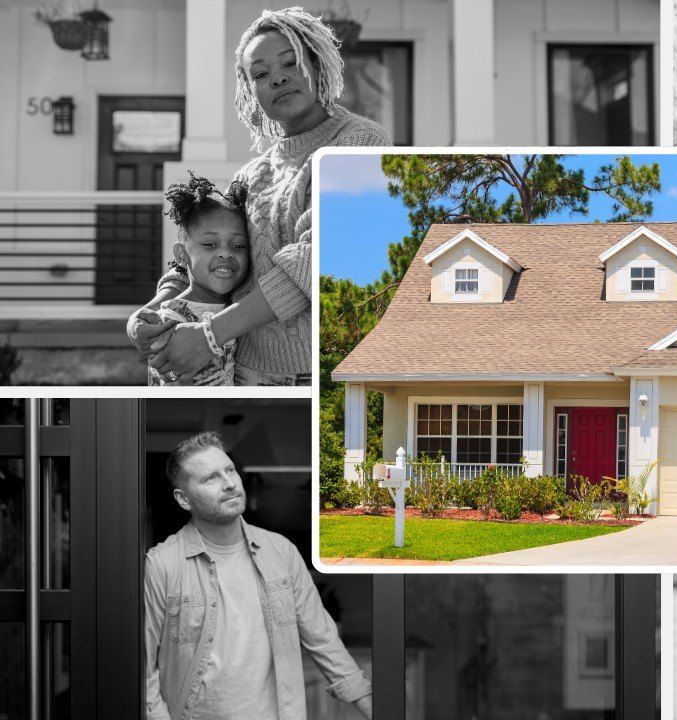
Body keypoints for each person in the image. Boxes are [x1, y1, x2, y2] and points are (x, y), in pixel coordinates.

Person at [130, 7, 391, 385]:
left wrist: (209, 334)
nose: (278, 78)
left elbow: (315, 260)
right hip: (240, 369)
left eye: (291, 63)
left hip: (315, 375)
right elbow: (201, 246)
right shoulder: (251, 175)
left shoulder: (360, 142)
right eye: (261, 74)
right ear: (250, 91)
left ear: (317, 66)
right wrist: (150, 313)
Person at [144, 431, 373, 719]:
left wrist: (372, 707)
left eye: (230, 470)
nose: (229, 484)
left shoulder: (281, 552)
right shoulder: (162, 564)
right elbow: (144, 667)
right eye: (211, 478)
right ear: (183, 498)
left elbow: (323, 638)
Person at [136, 175, 250, 386]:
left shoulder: (241, 308)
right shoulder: (170, 322)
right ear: (181, 255)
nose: (226, 253)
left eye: (238, 246)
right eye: (210, 244)